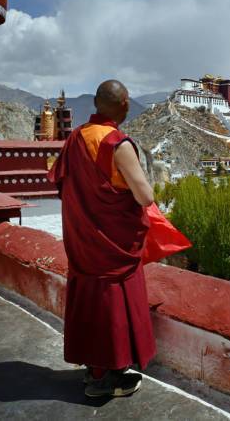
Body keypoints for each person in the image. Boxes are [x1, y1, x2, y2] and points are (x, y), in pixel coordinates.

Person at [47, 79, 155, 398]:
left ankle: (97, 371)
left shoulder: (76, 137)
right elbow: (145, 196)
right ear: (124, 105)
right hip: (113, 244)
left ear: (96, 104)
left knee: (91, 302)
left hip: (83, 240)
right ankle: (103, 378)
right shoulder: (117, 144)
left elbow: (63, 185)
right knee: (112, 304)